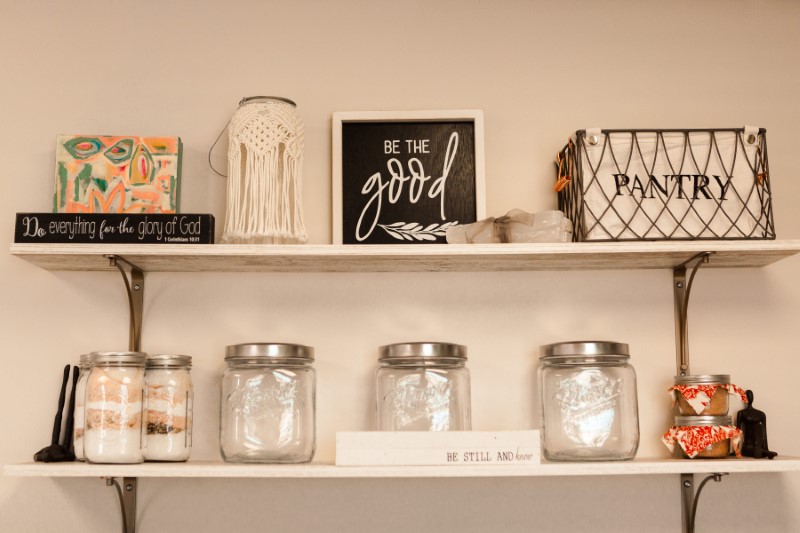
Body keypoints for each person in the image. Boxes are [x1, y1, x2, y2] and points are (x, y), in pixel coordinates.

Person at [736, 390, 777, 459]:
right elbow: (737, 432)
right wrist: (736, 450)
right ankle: (765, 452)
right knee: (751, 450)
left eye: (751, 396)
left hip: (758, 444)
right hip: (747, 445)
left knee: (760, 430)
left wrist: (766, 447)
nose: (750, 398)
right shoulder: (741, 413)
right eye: (748, 396)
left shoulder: (761, 414)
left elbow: (765, 433)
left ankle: (763, 451)